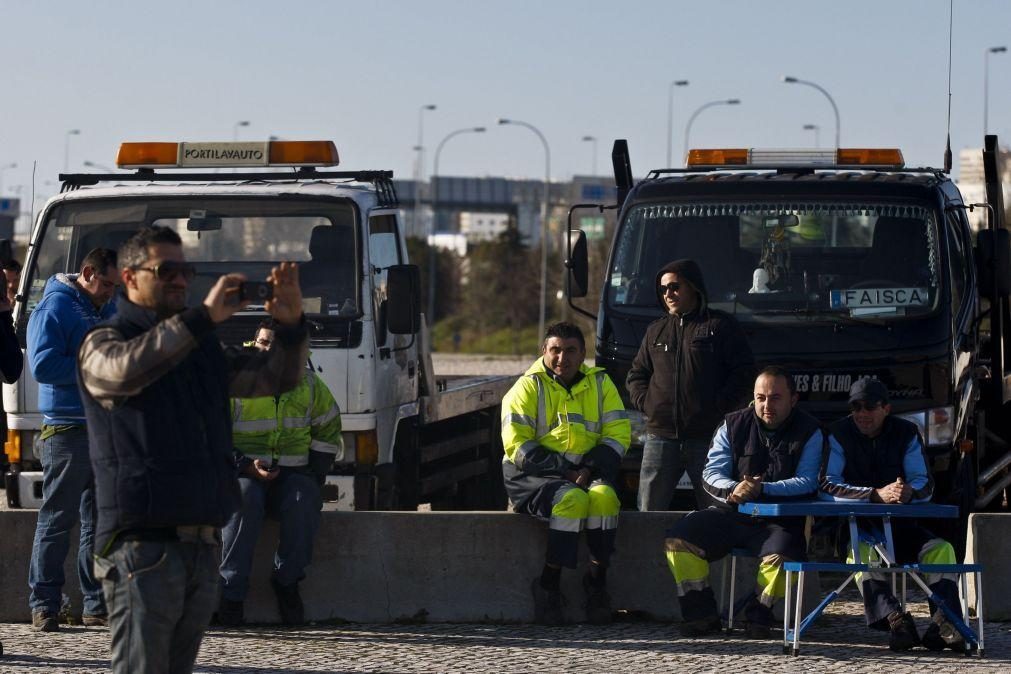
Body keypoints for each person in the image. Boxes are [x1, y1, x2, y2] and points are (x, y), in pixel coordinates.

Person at [77, 226, 308, 673]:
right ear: (129, 277)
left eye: (186, 270)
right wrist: (201, 317)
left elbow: (274, 379)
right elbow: (124, 373)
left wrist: (292, 326)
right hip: (140, 549)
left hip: (201, 547)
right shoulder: (104, 341)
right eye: (166, 271)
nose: (180, 281)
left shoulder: (199, 349)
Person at [663, 367, 822, 638]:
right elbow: (711, 473)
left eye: (775, 398)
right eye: (760, 397)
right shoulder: (732, 424)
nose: (766, 405)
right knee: (679, 540)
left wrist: (763, 489)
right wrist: (734, 488)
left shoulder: (811, 431)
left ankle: (760, 613)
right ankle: (701, 614)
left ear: (794, 399)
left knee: (784, 555)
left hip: (779, 521)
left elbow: (809, 481)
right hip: (731, 513)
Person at [820, 377, 964, 652]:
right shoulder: (837, 433)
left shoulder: (907, 432)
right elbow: (827, 484)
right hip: (857, 528)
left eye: (869, 407)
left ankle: (945, 622)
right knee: (863, 559)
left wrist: (908, 491)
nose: (862, 414)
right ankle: (896, 621)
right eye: (855, 407)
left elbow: (925, 482)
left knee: (942, 549)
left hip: (902, 527)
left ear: (886, 408)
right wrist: (874, 494)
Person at [501, 321, 631, 625]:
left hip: (586, 471)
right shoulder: (527, 386)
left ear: (583, 353)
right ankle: (548, 585)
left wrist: (587, 468)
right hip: (534, 476)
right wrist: (565, 471)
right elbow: (517, 445)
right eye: (555, 350)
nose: (563, 358)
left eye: (570, 351)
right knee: (571, 500)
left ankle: (597, 583)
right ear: (544, 351)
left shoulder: (600, 384)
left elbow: (618, 434)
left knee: (604, 499)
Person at [217, 320, 343, 626]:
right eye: (261, 342)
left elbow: (328, 428)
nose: (265, 349)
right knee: (245, 500)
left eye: (273, 344)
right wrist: (246, 464)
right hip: (242, 472)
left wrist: (314, 473)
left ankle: (287, 582)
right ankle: (231, 595)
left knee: (304, 500)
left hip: (293, 475)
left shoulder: (310, 384)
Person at [26, 248, 119, 632]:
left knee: (99, 523)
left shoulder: (107, 310)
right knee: (57, 520)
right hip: (67, 430)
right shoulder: (55, 309)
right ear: (87, 273)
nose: (111, 293)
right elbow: (43, 365)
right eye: (107, 284)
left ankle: (96, 604)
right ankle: (45, 603)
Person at [627, 258, 754, 511]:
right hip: (659, 439)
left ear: (693, 287)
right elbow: (636, 375)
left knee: (716, 513)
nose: (668, 294)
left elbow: (744, 372)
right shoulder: (655, 331)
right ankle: (651, 553)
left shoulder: (720, 326)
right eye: (663, 289)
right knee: (648, 513)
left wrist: (719, 408)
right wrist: (649, 404)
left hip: (707, 439)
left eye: (675, 287)